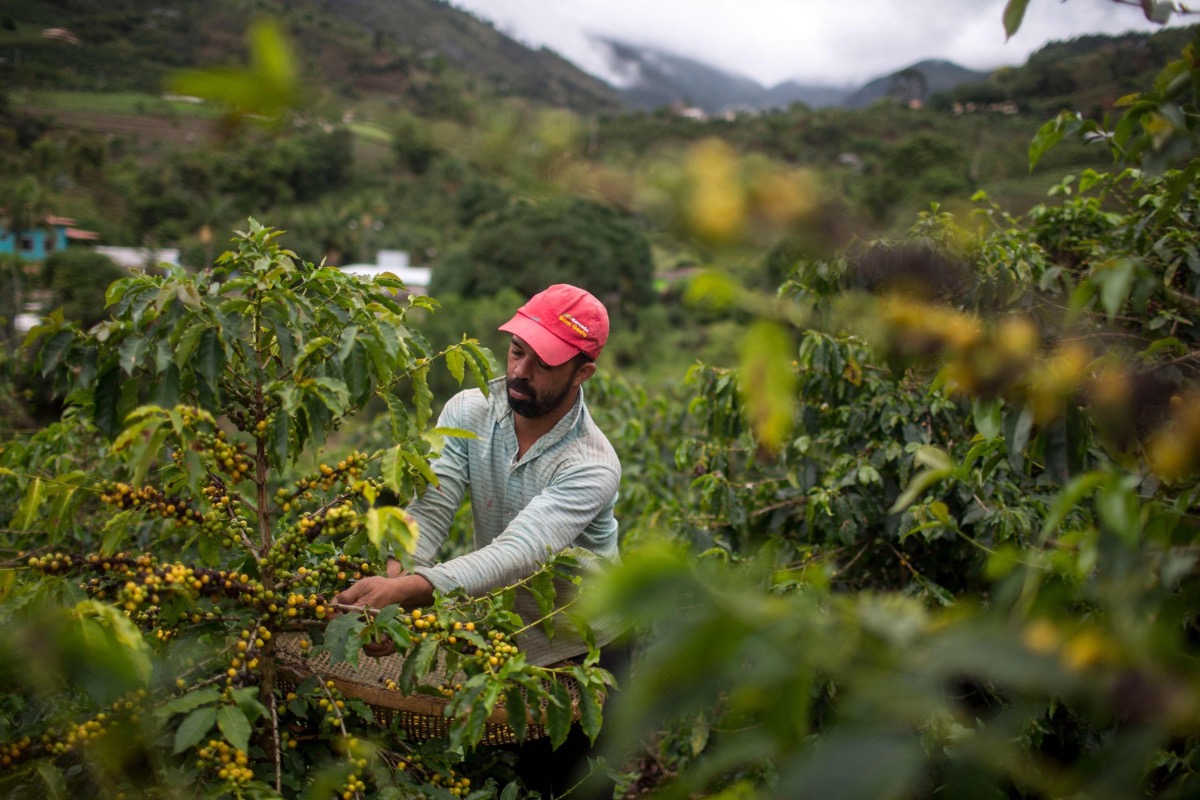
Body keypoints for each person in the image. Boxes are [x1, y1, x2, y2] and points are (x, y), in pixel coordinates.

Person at [334, 284, 626, 794]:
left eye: (543, 364)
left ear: (583, 372)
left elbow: (522, 553)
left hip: (583, 655)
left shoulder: (591, 465)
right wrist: (392, 583)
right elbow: (430, 505)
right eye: (517, 351)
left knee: (564, 784)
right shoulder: (469, 411)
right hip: (504, 638)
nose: (519, 371)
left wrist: (409, 592)